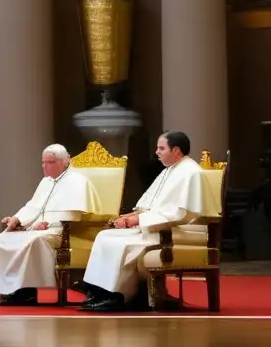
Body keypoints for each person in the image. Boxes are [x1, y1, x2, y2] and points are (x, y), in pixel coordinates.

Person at [76, 131, 219, 312]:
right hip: (158, 226)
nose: (157, 152)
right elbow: (151, 205)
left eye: (161, 148)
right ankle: (98, 292)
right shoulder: (170, 170)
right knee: (106, 236)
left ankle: (117, 296)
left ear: (176, 150)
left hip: (182, 231)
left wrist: (138, 220)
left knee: (122, 244)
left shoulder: (191, 173)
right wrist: (130, 217)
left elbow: (180, 214)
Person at [0, 144, 102, 306]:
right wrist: (17, 219)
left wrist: (48, 224)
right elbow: (33, 206)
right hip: (37, 229)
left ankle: (26, 292)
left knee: (30, 242)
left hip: (61, 231)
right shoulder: (46, 182)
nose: (45, 166)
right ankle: (12, 291)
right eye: (43, 162)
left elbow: (74, 215)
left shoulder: (78, 182)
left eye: (50, 162)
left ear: (64, 162)